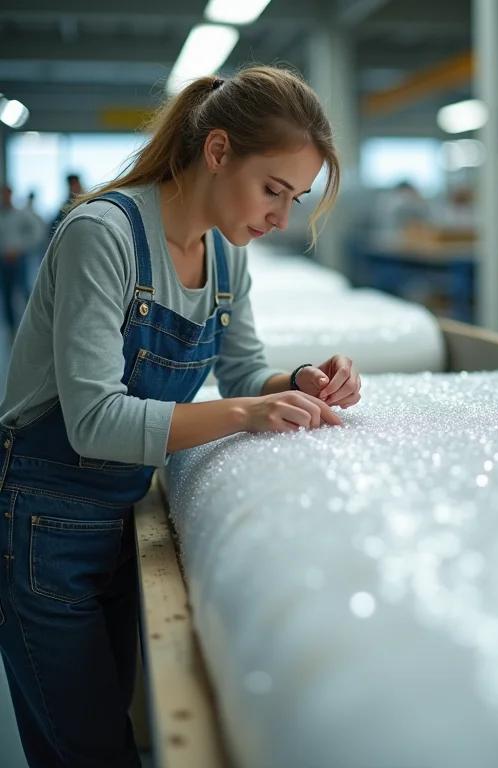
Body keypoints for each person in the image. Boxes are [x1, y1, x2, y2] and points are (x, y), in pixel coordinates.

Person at [0, 66, 362, 768]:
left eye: (296, 199)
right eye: (273, 190)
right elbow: (94, 422)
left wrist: (299, 381)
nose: (281, 218)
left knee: (109, 737)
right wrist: (247, 413)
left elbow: (245, 370)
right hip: (43, 516)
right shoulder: (102, 235)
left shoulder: (227, 259)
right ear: (219, 151)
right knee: (87, 752)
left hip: (120, 511)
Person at [0, 185, 45, 338]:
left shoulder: (21, 214)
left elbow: (37, 232)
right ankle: (11, 328)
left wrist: (21, 248)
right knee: (6, 293)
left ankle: (30, 324)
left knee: (24, 290)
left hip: (19, 258)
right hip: (4, 259)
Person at [49, 173, 84, 238]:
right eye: (71, 185)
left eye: (75, 184)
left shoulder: (87, 202)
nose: (73, 188)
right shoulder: (66, 206)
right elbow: (54, 227)